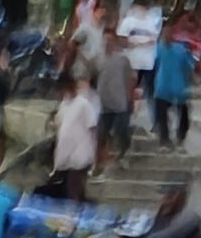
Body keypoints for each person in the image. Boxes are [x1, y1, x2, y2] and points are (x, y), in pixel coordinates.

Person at [49, 73, 100, 201]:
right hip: (67, 153)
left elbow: (92, 126)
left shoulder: (83, 104)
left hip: (81, 152)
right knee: (74, 187)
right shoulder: (64, 105)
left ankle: (74, 208)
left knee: (74, 185)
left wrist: (95, 151)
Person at [151, 18, 196, 148]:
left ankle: (180, 136)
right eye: (164, 32)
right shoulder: (157, 50)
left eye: (169, 32)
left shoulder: (181, 50)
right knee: (161, 116)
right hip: (162, 88)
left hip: (179, 89)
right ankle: (164, 139)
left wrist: (193, 83)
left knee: (184, 117)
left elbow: (189, 67)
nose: (166, 34)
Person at [96, 22, 136, 162]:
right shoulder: (98, 59)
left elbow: (131, 78)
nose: (107, 42)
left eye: (109, 39)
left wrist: (130, 98)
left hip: (120, 102)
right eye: (104, 39)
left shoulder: (122, 59)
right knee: (102, 133)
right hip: (103, 103)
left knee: (121, 130)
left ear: (114, 41)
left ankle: (123, 152)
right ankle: (103, 160)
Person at [119, 0, 164, 112]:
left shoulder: (151, 22)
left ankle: (154, 120)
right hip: (133, 62)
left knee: (149, 91)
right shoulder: (128, 22)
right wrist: (139, 44)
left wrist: (137, 43)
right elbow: (122, 41)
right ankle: (126, 115)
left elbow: (154, 40)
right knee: (129, 90)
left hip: (147, 62)